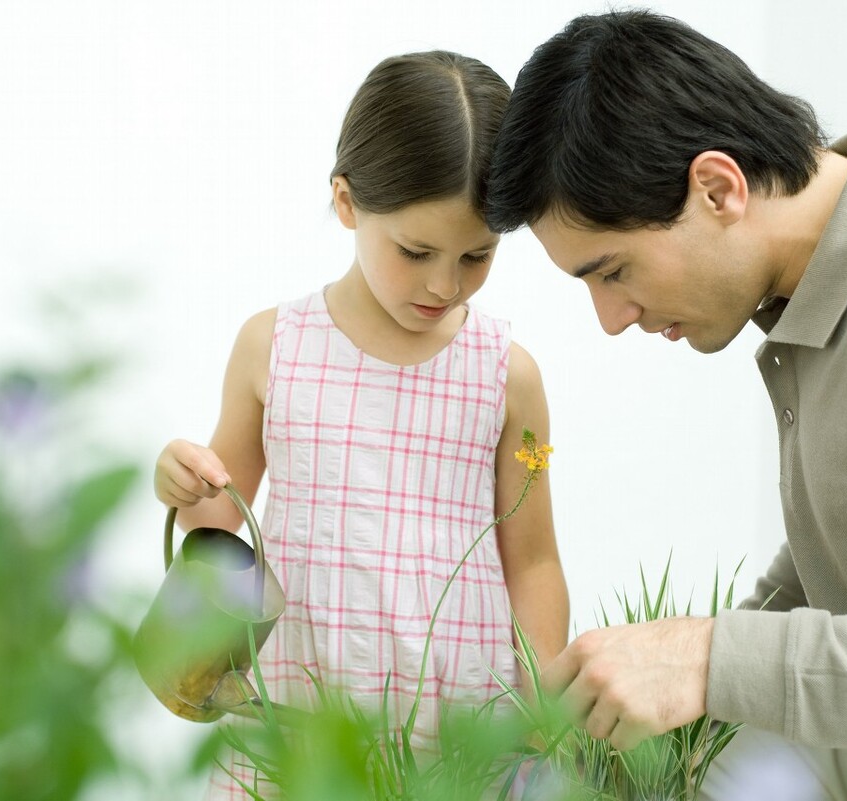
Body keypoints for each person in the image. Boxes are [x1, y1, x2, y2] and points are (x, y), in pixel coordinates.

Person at [485, 10, 847, 801]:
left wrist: (711, 659)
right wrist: (669, 687)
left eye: (611, 272)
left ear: (718, 187)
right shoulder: (816, 297)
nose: (611, 319)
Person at [154, 50, 569, 797]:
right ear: (346, 203)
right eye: (416, 251)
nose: (445, 283)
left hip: (457, 729)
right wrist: (182, 479)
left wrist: (536, 715)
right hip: (296, 721)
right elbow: (219, 520)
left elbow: (532, 560)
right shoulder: (273, 346)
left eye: (478, 255)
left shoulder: (507, 374)